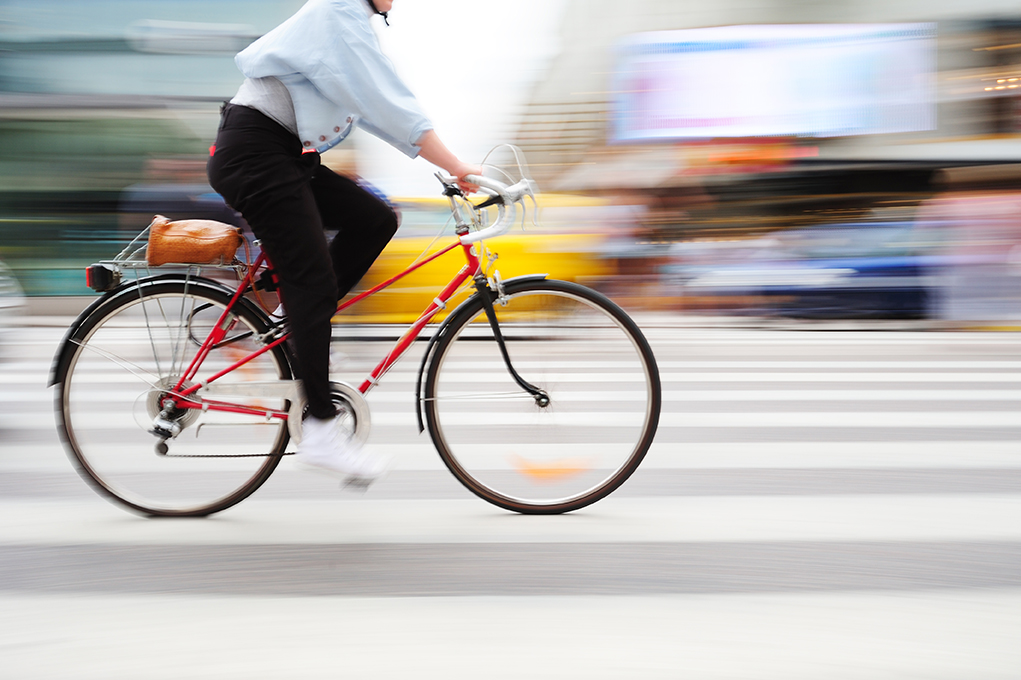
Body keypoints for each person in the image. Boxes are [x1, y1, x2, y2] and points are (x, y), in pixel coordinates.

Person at [207, 0, 479, 484]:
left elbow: (372, 105)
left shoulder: (350, 23)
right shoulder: (337, 12)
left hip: (283, 156)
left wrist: (441, 164)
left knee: (375, 219)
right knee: (311, 282)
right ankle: (320, 429)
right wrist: (457, 165)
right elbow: (385, 99)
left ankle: (292, 320)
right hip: (257, 154)